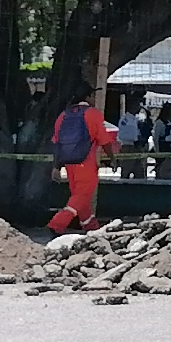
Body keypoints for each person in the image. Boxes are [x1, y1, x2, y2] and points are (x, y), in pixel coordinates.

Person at [47, 82, 118, 236]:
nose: (94, 98)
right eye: (92, 95)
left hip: (69, 164)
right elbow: (105, 141)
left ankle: (92, 228)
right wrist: (112, 159)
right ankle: (56, 224)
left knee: (80, 197)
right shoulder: (93, 114)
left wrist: (56, 167)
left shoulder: (63, 115)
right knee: (81, 196)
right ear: (88, 96)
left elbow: (57, 143)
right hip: (86, 163)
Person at [116, 96, 148, 179]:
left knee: (140, 172)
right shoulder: (125, 119)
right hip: (128, 147)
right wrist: (136, 138)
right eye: (136, 105)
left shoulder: (136, 119)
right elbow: (123, 134)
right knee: (126, 170)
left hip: (137, 147)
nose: (138, 107)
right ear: (131, 106)